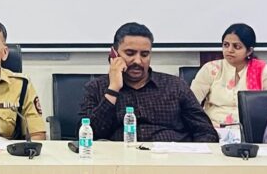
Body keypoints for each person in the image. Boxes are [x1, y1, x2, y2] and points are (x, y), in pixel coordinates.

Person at [80, 22, 215, 142]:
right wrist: (113, 89)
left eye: (144, 55)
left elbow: (206, 132)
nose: (138, 61)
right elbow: (86, 136)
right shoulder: (96, 87)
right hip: (120, 159)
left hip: (171, 157)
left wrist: (193, 157)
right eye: (130, 53)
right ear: (114, 54)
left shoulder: (175, 86)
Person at [189, 23, 267, 127]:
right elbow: (190, 104)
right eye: (226, 45)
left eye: (236, 46)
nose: (229, 50)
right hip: (212, 128)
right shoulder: (211, 69)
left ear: (249, 51)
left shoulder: (263, 71)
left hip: (250, 130)